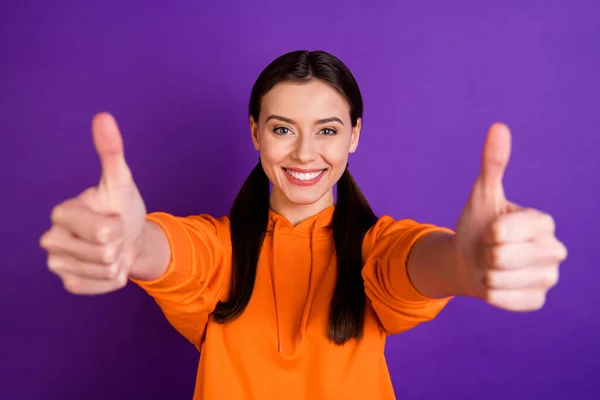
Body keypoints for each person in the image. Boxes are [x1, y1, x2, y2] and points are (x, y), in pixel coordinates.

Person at [39, 50, 567, 399]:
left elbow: (415, 263)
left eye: (328, 130)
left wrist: (462, 261)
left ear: (354, 135)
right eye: (283, 128)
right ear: (255, 133)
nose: (305, 152)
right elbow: (170, 252)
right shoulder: (218, 249)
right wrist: (130, 243)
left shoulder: (373, 248)